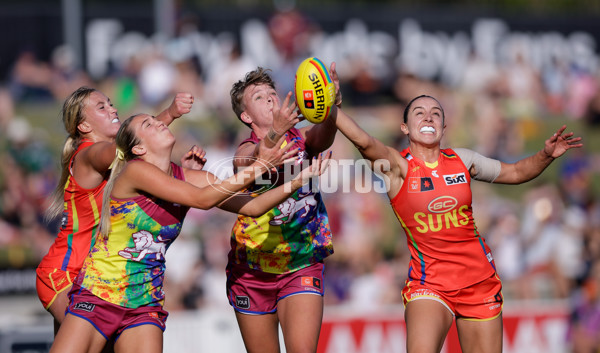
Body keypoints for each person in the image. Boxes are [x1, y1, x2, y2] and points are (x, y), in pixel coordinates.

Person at [48, 112, 330, 353]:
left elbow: (253, 207)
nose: (158, 122)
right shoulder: (135, 172)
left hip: (144, 303)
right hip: (98, 294)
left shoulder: (189, 177)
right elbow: (203, 200)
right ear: (138, 149)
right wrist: (261, 166)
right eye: (147, 125)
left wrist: (296, 182)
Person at [330, 90, 583, 353]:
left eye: (436, 113)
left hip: (478, 281)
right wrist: (332, 106)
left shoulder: (462, 160)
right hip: (429, 284)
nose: (428, 117)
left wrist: (546, 155)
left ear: (443, 126)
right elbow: (365, 142)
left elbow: (517, 171)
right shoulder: (398, 166)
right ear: (404, 127)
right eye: (419, 113)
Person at [35, 86, 203, 336]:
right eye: (102, 107)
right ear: (83, 127)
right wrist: (169, 114)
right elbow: (133, 144)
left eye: (110, 104)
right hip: (66, 273)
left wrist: (182, 176)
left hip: (95, 276)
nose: (113, 109)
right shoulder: (90, 154)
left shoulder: (124, 166)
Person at [226, 65, 341, 353]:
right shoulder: (247, 148)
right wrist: (275, 132)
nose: (269, 98)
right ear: (246, 116)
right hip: (252, 270)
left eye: (272, 93)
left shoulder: (302, 139)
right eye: (258, 96)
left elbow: (324, 136)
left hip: (301, 262)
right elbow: (243, 164)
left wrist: (331, 105)